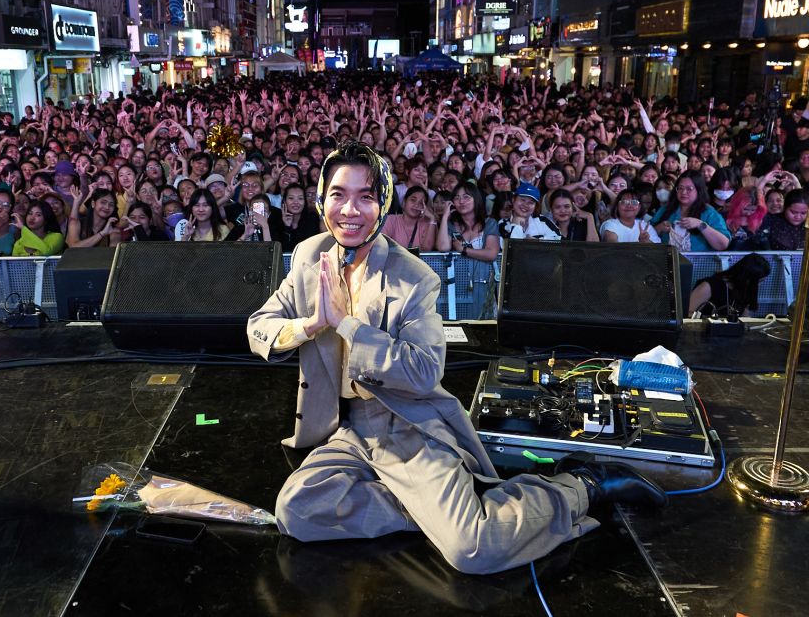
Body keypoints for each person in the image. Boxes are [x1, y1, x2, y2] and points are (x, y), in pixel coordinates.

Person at [247, 141, 666, 575]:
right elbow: (258, 327)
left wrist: (347, 326)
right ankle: (431, 511)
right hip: (347, 430)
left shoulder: (413, 277)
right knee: (297, 512)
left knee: (474, 549)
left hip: (406, 426)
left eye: (365, 196)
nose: (349, 210)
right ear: (322, 199)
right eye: (338, 194)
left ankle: (582, 485)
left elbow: (425, 371)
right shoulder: (310, 257)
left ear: (383, 203)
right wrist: (311, 324)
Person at [436, 182, 501, 319]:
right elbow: (443, 247)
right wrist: (445, 217)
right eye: (457, 198)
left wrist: (463, 250)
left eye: (466, 197)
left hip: (485, 282)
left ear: (476, 199)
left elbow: (491, 253)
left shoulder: (489, 223)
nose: (461, 201)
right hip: (460, 283)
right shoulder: (451, 225)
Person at [651, 170, 731, 251]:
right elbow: (647, 236)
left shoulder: (708, 212)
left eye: (689, 189)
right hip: (668, 258)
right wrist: (659, 228)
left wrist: (700, 225)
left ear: (699, 190)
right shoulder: (665, 209)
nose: (684, 192)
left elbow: (723, 245)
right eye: (680, 188)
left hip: (699, 259)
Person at [688, 253, 772, 317]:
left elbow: (745, 315)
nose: (758, 286)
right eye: (758, 282)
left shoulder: (744, 290)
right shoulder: (709, 286)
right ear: (747, 278)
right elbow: (688, 313)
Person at [382, 186, 437, 252]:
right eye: (413, 200)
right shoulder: (390, 220)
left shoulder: (427, 223)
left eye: (421, 203)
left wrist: (432, 219)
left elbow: (427, 249)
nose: (416, 205)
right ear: (404, 202)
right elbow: (383, 246)